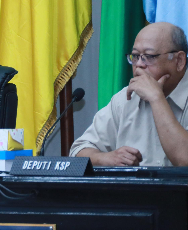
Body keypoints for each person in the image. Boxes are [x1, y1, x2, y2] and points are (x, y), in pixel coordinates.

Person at [70, 22, 188, 166]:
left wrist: (156, 98)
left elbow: (184, 160)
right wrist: (107, 158)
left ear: (179, 61)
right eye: (135, 56)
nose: (139, 65)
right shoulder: (125, 99)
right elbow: (78, 152)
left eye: (149, 56)